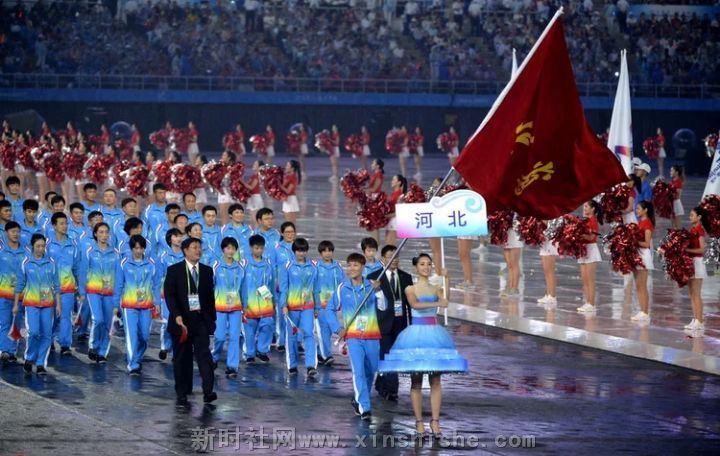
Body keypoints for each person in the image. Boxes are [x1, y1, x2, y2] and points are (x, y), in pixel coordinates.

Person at [378, 253, 468, 438]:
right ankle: (419, 422)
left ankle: (435, 421)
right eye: (422, 264)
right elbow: (415, 305)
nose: (426, 267)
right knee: (417, 381)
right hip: (416, 335)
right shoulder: (410, 288)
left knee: (436, 380)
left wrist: (447, 279)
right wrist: (440, 302)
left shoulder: (436, 288)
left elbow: (446, 300)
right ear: (416, 267)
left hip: (434, 333)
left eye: (429, 264)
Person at [326, 253, 381, 420]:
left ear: (363, 267)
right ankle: (364, 407)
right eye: (349, 265)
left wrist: (378, 291)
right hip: (353, 337)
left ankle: (359, 399)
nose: (352, 268)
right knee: (358, 372)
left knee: (371, 370)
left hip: (372, 335)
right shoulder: (342, 288)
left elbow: (384, 306)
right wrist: (337, 328)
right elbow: (329, 309)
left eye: (356, 265)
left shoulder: (372, 286)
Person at [164, 237, 217, 406]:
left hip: (201, 321)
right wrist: (176, 315)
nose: (198, 250)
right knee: (182, 359)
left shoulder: (207, 271)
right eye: (194, 247)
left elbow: (210, 297)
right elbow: (170, 295)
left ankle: (208, 391)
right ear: (185, 250)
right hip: (182, 322)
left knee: (204, 356)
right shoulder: (174, 270)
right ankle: (182, 392)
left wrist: (212, 320)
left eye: (199, 247)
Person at [367, 245, 412, 402]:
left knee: (393, 356)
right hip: (381, 323)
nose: (394, 260)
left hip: (400, 323)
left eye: (396, 256)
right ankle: (392, 390)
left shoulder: (406, 277)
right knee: (387, 355)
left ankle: (381, 383)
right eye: (390, 257)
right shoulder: (374, 277)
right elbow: (368, 303)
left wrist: (412, 325)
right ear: (383, 259)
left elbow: (410, 304)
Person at [13, 234, 61, 376]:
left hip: (48, 304)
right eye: (38, 246)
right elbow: (20, 284)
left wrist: (58, 304)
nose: (41, 249)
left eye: (43, 246)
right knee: (33, 332)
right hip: (31, 303)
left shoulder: (51, 262)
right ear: (32, 246)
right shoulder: (26, 262)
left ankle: (40, 363)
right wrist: (16, 304)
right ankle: (30, 358)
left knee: (46, 334)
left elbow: (56, 284)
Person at [116, 235, 161, 375]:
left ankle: (136, 356)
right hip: (129, 305)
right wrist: (115, 305)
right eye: (136, 248)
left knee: (145, 336)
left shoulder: (151, 263)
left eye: (141, 248)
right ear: (131, 248)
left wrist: (157, 303)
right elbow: (118, 284)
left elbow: (156, 284)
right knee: (132, 335)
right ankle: (133, 365)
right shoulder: (123, 263)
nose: (138, 251)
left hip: (146, 305)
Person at [79, 222, 121, 363]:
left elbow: (119, 277)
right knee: (98, 320)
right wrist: (82, 291)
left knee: (108, 323)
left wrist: (117, 297)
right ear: (95, 234)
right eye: (101, 232)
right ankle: (93, 346)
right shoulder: (90, 251)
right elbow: (83, 272)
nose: (104, 235)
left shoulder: (115, 253)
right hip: (94, 291)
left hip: (110, 293)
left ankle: (102, 352)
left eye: (106, 232)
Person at [279, 238, 318, 377]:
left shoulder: (313, 266)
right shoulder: (287, 266)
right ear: (294, 251)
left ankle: (311, 366)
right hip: (292, 307)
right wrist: (283, 305)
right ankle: (292, 365)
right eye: (299, 251)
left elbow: (316, 289)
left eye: (304, 250)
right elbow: (284, 288)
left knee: (309, 333)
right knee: (292, 337)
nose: (301, 253)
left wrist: (317, 307)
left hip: (308, 306)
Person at [46, 213, 81, 355]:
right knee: (52, 316)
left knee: (66, 315)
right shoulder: (47, 244)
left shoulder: (73, 244)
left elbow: (77, 267)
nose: (65, 226)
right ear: (54, 226)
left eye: (66, 223)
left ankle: (65, 344)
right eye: (61, 223)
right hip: (49, 288)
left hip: (68, 287)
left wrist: (80, 286)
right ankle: (48, 340)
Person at [211, 237, 245, 378]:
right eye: (228, 248)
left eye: (233, 248)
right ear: (223, 249)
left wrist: (245, 307)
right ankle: (214, 357)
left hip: (236, 307)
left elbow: (244, 288)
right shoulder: (216, 266)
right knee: (219, 336)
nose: (230, 251)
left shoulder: (240, 267)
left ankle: (232, 366)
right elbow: (210, 286)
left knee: (234, 337)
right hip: (219, 307)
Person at [241, 234, 275, 364]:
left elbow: (271, 283)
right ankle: (249, 353)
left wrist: (273, 301)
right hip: (249, 302)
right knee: (249, 329)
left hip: (265, 300)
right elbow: (239, 283)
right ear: (251, 248)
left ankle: (262, 350)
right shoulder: (244, 263)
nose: (259, 251)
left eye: (261, 248)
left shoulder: (268, 263)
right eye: (256, 248)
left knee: (267, 325)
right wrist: (242, 302)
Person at [0, 222, 29, 362]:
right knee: (5, 322)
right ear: (6, 233)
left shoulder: (26, 252)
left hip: (21, 295)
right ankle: (5, 350)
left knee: (16, 323)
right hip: (4, 293)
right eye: (12, 231)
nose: (15, 234)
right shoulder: (1, 251)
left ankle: (12, 350)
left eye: (17, 231)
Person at [313, 240, 344, 367]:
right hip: (321, 305)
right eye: (324, 251)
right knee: (324, 330)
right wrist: (315, 306)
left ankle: (320, 353)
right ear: (320, 253)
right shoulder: (316, 267)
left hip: (332, 306)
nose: (327, 253)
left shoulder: (338, 267)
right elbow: (313, 287)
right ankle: (327, 355)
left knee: (329, 330)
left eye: (330, 251)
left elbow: (342, 285)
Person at [158, 228, 185, 361]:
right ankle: (165, 346)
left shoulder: (186, 255)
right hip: (166, 296)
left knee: (180, 322)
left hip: (182, 296)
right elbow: (159, 277)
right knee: (166, 321)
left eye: (180, 236)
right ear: (170, 239)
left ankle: (176, 351)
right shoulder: (163, 256)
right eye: (175, 236)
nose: (178, 238)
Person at [685, 207, 709, 331]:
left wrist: (687, 250)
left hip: (697, 262)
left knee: (696, 294)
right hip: (691, 262)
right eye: (690, 215)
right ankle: (695, 319)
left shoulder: (699, 230)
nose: (690, 217)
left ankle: (699, 320)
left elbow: (701, 249)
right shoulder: (693, 229)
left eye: (692, 215)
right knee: (692, 294)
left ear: (699, 217)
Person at [577, 201, 603, 313]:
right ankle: (587, 302)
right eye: (584, 206)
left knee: (590, 280)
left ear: (593, 209)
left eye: (587, 206)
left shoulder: (593, 221)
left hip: (591, 249)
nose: (584, 208)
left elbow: (591, 237)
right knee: (584, 279)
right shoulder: (585, 220)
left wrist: (578, 234)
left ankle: (591, 304)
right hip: (583, 250)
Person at [631, 201, 655, 323]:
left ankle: (645, 312)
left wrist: (633, 241)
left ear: (645, 210)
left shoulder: (647, 223)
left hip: (644, 255)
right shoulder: (640, 222)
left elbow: (646, 243)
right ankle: (642, 311)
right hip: (638, 254)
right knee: (638, 286)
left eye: (639, 208)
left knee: (642, 286)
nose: (637, 210)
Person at [537, 219, 560, 306]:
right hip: (545, 241)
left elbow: (553, 226)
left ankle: (552, 296)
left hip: (551, 242)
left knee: (550, 271)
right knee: (546, 271)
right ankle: (548, 293)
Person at [501, 213, 523, 298]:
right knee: (509, 264)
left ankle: (515, 288)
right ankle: (510, 286)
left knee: (514, 263)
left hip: (516, 233)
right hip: (506, 233)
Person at [385, 175, 407, 246]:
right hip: (390, 220)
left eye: (394, 180)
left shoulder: (400, 195)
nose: (391, 181)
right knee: (388, 244)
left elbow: (399, 212)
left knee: (390, 245)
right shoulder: (393, 194)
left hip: (394, 221)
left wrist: (386, 216)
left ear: (399, 182)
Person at [244, 161, 265, 225]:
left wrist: (241, 181)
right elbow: (247, 185)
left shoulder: (257, 176)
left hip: (255, 198)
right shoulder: (254, 176)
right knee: (253, 220)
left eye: (255, 164)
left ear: (260, 167)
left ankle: (258, 231)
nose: (253, 165)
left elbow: (251, 187)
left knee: (255, 220)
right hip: (252, 197)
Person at [670, 165, 684, 229]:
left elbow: (678, 196)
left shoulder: (678, 182)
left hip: (676, 204)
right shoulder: (672, 181)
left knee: (677, 227)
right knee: (673, 226)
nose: (670, 172)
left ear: (676, 172)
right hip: (672, 204)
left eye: (672, 171)